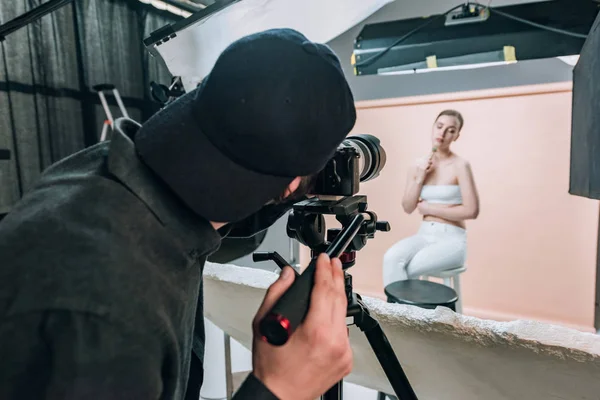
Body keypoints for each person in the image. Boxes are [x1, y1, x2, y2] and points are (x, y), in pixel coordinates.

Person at [0, 29, 356, 400]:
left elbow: (218, 217)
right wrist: (279, 388)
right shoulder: (108, 317)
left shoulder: (113, 176)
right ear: (292, 184)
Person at [382, 109, 480, 286]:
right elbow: (408, 207)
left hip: (452, 239)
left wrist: (429, 209)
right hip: (425, 234)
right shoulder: (418, 165)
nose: (442, 133)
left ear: (457, 135)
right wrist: (419, 177)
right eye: (439, 126)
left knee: (409, 268)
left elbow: (471, 211)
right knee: (391, 259)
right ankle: (398, 314)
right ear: (433, 127)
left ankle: (409, 314)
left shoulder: (460, 165)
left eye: (450, 130)